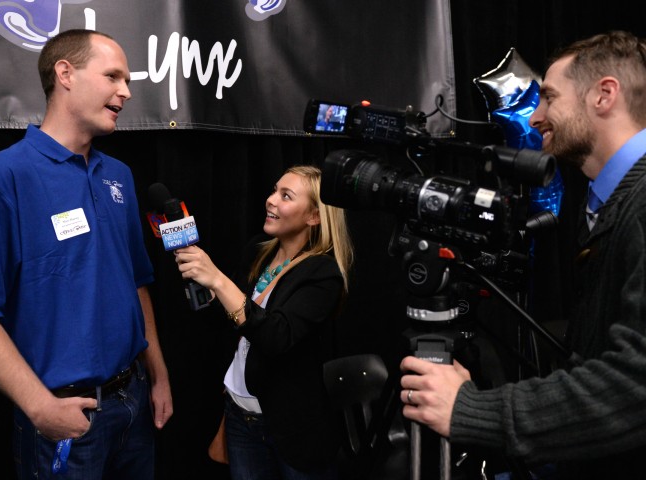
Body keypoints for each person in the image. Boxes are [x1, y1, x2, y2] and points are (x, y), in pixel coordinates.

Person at [399, 30, 646, 479]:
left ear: (604, 95)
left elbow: (635, 385)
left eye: (549, 97)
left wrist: (473, 411)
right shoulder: (610, 202)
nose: (536, 117)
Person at [0, 29, 173, 479]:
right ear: (65, 74)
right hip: (68, 418)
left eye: (126, 80)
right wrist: (40, 408)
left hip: (134, 406)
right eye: (113, 76)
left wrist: (159, 375)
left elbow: (136, 282)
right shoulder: (2, 177)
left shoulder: (119, 177)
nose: (125, 91)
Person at [174, 165, 354, 479]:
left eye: (286, 196)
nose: (271, 200)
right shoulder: (259, 252)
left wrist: (217, 279)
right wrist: (212, 293)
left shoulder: (322, 274)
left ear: (314, 216)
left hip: (291, 429)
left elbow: (275, 337)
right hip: (239, 416)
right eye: (274, 190)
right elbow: (242, 323)